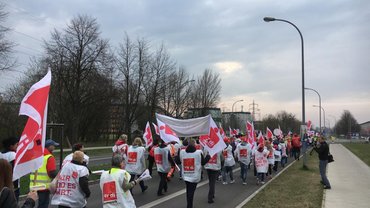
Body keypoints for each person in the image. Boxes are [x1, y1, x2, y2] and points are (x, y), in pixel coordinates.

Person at [177, 139, 210, 208]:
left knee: (188, 190)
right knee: (191, 191)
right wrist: (208, 156)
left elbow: (178, 161)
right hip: (194, 176)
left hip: (185, 175)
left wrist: (178, 152)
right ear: (195, 145)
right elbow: (203, 163)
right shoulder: (198, 153)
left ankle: (189, 204)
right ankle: (189, 206)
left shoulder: (182, 152)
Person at [29, 139, 59, 208]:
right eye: (53, 146)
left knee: (32, 204)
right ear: (49, 146)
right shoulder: (49, 157)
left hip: (34, 185)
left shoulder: (35, 156)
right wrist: (59, 177)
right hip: (43, 187)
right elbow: (51, 173)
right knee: (43, 205)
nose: (54, 147)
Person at [1, 136, 20, 201]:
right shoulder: (13, 155)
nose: (18, 146)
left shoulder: (1, 154)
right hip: (13, 184)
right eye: (17, 144)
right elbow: (15, 170)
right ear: (11, 146)